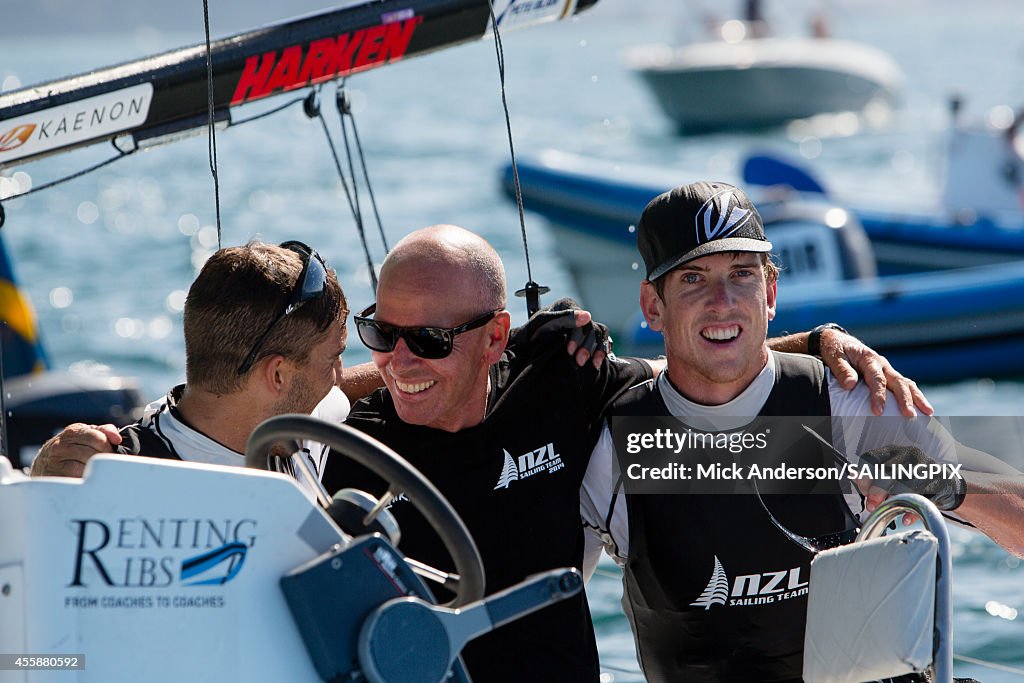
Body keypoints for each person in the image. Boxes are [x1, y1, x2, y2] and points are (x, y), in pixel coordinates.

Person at [321, 223, 931, 683]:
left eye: (428, 340)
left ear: (496, 337)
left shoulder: (566, 386)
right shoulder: (337, 443)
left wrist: (820, 342)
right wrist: (361, 379)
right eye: (381, 333)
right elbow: (272, 404)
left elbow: (698, 365)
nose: (400, 360)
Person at [580, 181, 1024, 682]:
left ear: (769, 292)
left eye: (742, 275)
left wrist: (945, 487)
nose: (722, 302)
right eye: (694, 279)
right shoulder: (612, 449)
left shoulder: (852, 404)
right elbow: (537, 617)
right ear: (652, 306)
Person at [31, 240, 350, 484]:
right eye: (333, 358)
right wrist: (45, 476)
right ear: (277, 375)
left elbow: (364, 384)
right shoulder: (123, 476)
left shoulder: (292, 413)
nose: (338, 375)